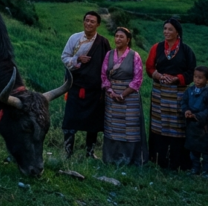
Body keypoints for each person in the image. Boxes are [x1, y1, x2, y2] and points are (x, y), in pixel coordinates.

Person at [145, 18, 196, 170]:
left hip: (179, 94)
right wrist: (159, 76)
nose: (166, 32)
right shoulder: (157, 48)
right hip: (160, 93)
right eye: (165, 29)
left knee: (178, 127)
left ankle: (177, 161)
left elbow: (192, 72)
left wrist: (177, 79)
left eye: (170, 29)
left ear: (177, 32)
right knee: (159, 126)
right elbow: (149, 68)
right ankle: (158, 158)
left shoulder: (186, 51)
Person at [61, 10, 111, 158]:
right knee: (70, 119)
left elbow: (107, 65)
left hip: (95, 89)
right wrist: (77, 59)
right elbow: (64, 57)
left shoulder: (103, 42)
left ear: (98, 25)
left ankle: (90, 152)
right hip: (76, 86)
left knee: (93, 122)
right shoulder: (74, 38)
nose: (89, 23)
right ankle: (68, 151)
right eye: (87, 20)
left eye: (92, 21)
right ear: (83, 21)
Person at [100, 26, 147, 166]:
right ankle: (111, 158)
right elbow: (103, 75)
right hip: (111, 96)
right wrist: (110, 92)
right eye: (116, 36)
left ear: (128, 40)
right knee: (112, 127)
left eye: (121, 37)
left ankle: (130, 159)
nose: (118, 39)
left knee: (129, 128)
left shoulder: (134, 55)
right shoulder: (109, 55)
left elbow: (137, 79)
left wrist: (123, 94)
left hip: (129, 97)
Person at [180, 66, 208, 176]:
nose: (197, 80)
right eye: (195, 77)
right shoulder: (189, 91)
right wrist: (186, 111)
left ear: (207, 80)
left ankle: (207, 171)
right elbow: (184, 102)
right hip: (191, 125)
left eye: (200, 78)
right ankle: (195, 168)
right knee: (193, 149)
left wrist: (198, 116)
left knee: (206, 150)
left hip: (204, 125)